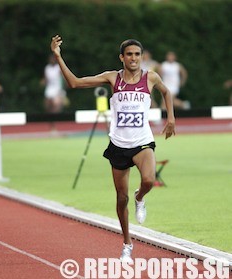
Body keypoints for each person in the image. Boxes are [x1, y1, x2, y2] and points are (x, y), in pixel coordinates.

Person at [50, 35, 175, 263]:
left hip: (142, 141)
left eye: (137, 54)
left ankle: (141, 197)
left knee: (148, 180)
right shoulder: (112, 78)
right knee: (121, 198)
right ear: (122, 57)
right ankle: (127, 244)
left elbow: (166, 92)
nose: (134, 58)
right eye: (129, 54)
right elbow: (75, 83)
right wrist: (58, 56)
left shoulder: (151, 77)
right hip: (118, 144)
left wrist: (171, 119)